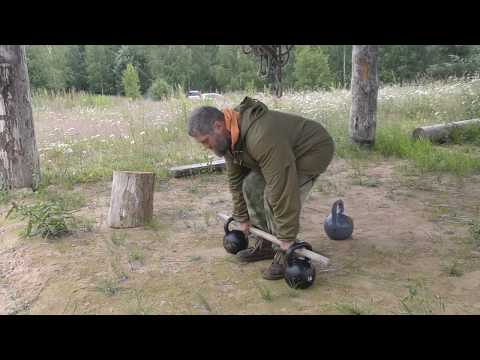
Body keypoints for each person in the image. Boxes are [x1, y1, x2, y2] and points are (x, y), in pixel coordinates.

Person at [187, 97, 334, 280]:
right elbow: (236, 180)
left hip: (312, 149)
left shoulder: (260, 135)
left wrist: (287, 238)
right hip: (282, 151)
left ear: (218, 126)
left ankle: (283, 254)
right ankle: (266, 243)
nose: (206, 147)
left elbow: (282, 189)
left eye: (205, 141)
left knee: (273, 195)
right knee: (251, 185)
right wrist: (242, 216)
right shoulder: (229, 137)